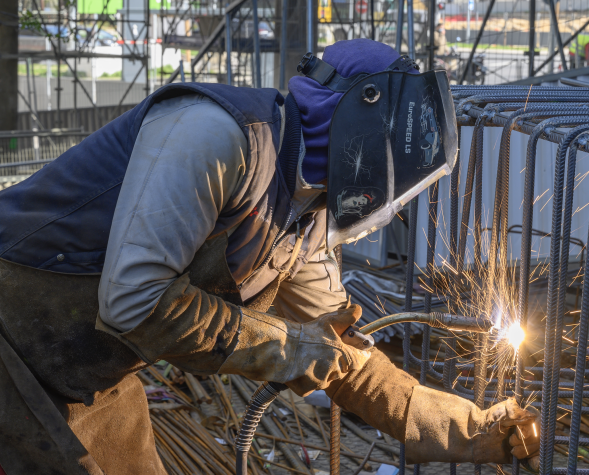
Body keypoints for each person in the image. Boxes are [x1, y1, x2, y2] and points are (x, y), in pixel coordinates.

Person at [0, 39, 540, 474]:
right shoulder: (216, 136)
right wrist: (291, 347)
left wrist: (472, 429)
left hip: (90, 374)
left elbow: (342, 359)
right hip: (12, 345)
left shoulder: (307, 218)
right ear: (366, 137)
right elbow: (134, 303)